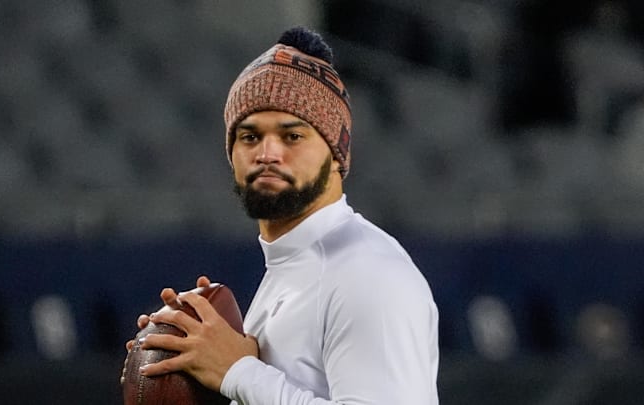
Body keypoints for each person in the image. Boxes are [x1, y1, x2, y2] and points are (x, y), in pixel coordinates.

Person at [127, 26, 440, 404]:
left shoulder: (369, 274)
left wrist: (238, 372)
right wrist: (188, 364)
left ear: (337, 155)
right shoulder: (290, 271)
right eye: (250, 137)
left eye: (292, 136)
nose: (267, 153)